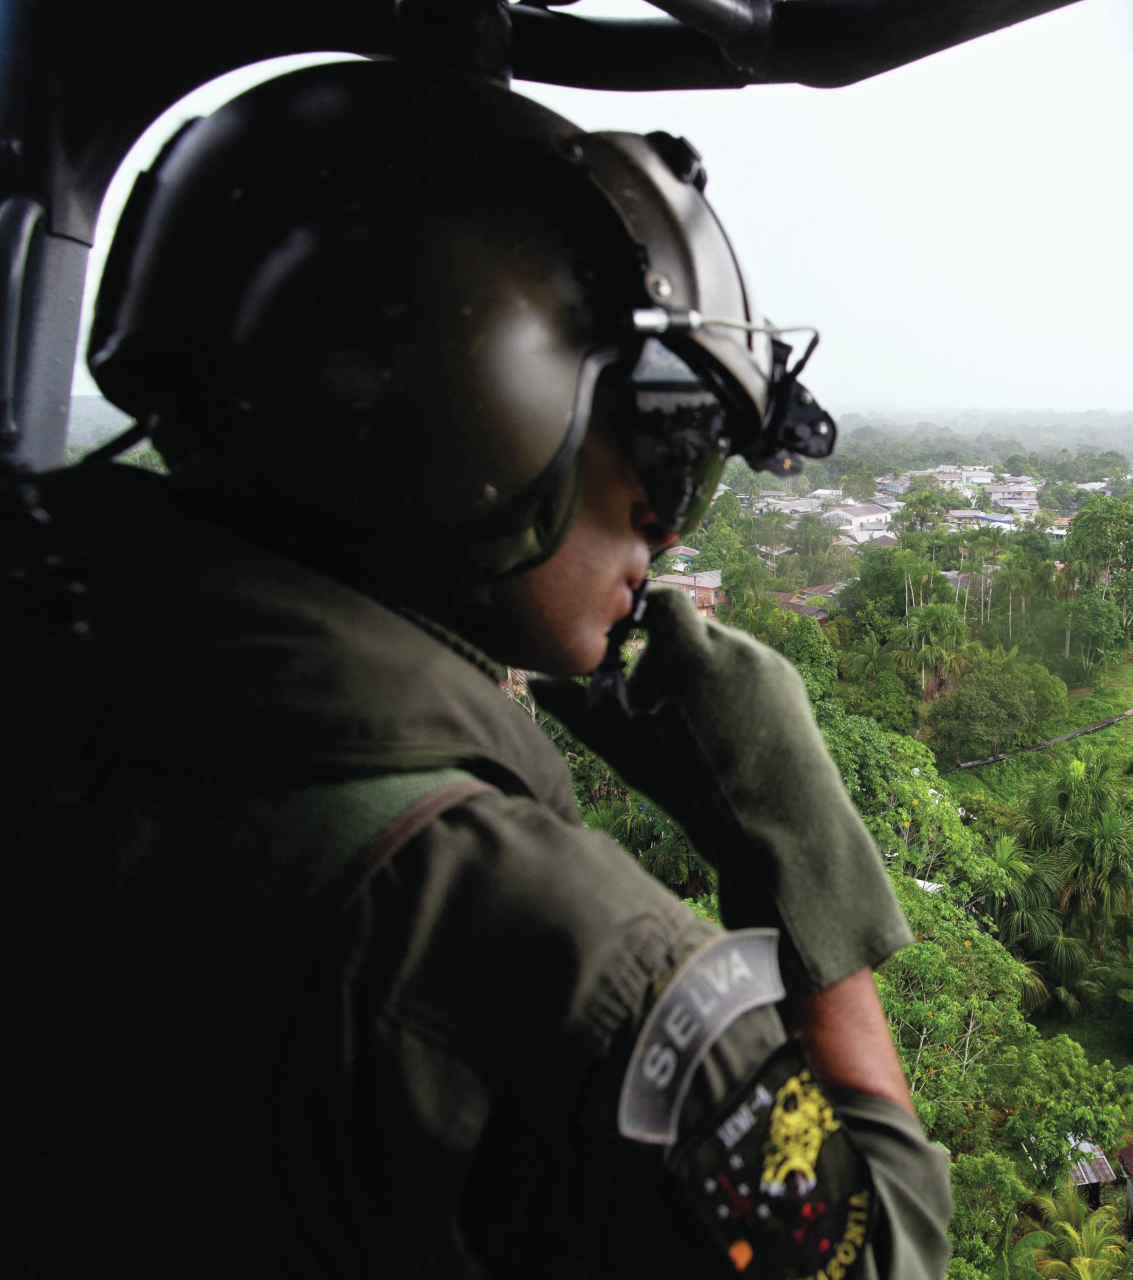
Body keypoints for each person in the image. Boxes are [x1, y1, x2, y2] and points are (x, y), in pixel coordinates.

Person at [0, 58, 949, 1277]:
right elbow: (880, 1252)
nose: (670, 523)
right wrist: (792, 833)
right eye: (665, 448)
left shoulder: (53, 685)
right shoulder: (566, 954)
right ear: (486, 399)